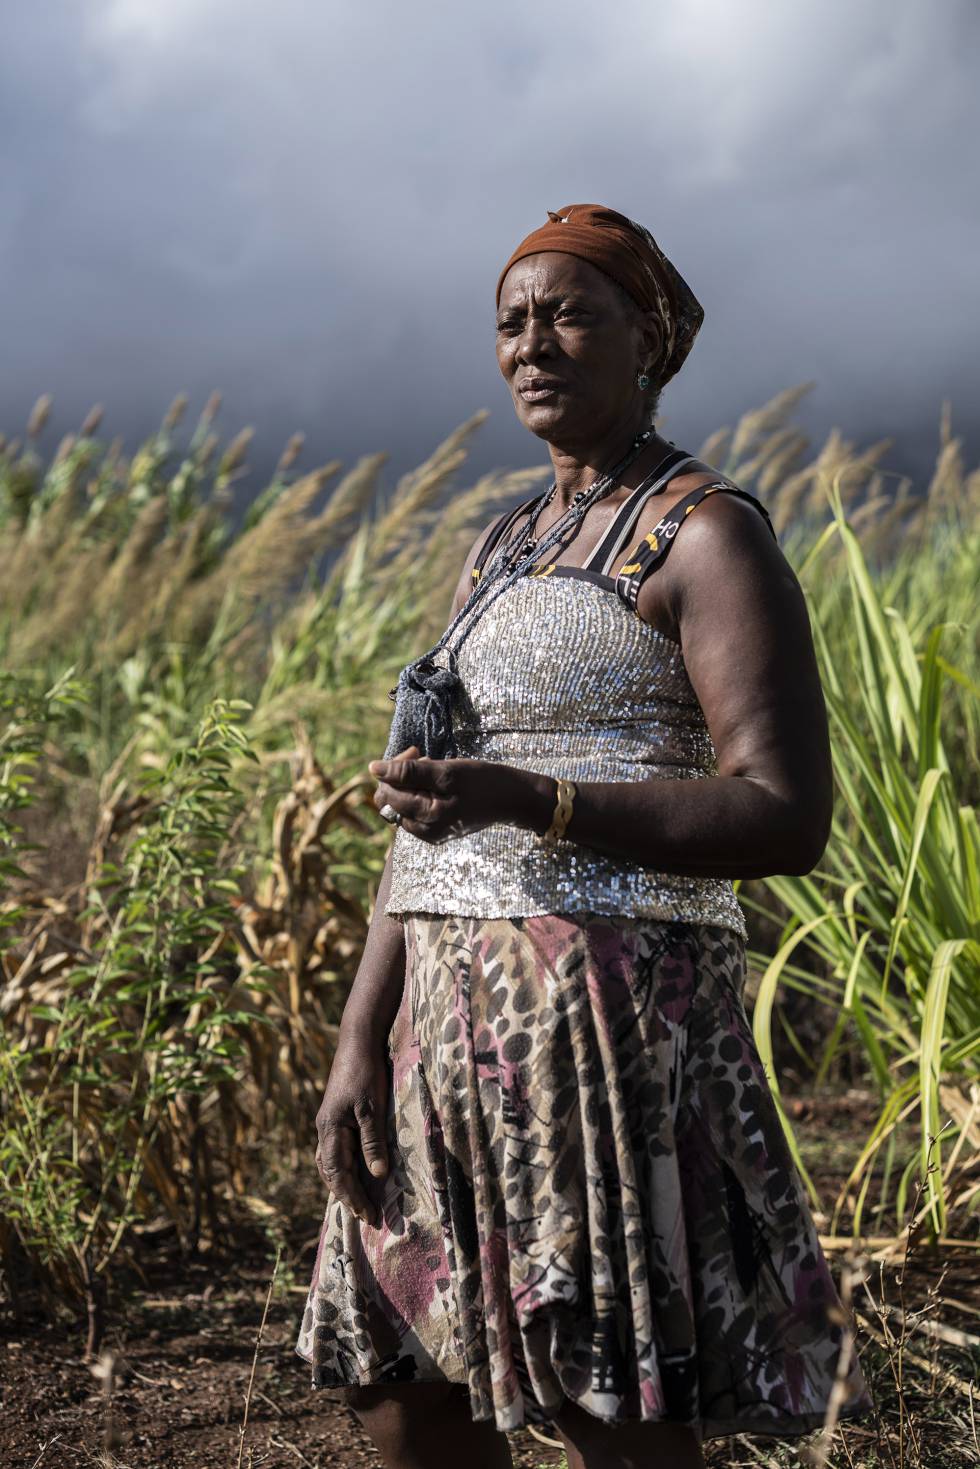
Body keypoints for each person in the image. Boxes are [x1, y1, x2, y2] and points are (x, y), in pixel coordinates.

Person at [296, 204, 869, 1469]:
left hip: (605, 1030)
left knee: (599, 1393)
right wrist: (356, 1036)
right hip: (441, 1025)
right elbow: (430, 812)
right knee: (404, 1378)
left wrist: (534, 800)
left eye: (568, 314)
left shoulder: (706, 533)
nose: (531, 344)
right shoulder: (495, 549)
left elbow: (782, 813)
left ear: (648, 336)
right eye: (510, 321)